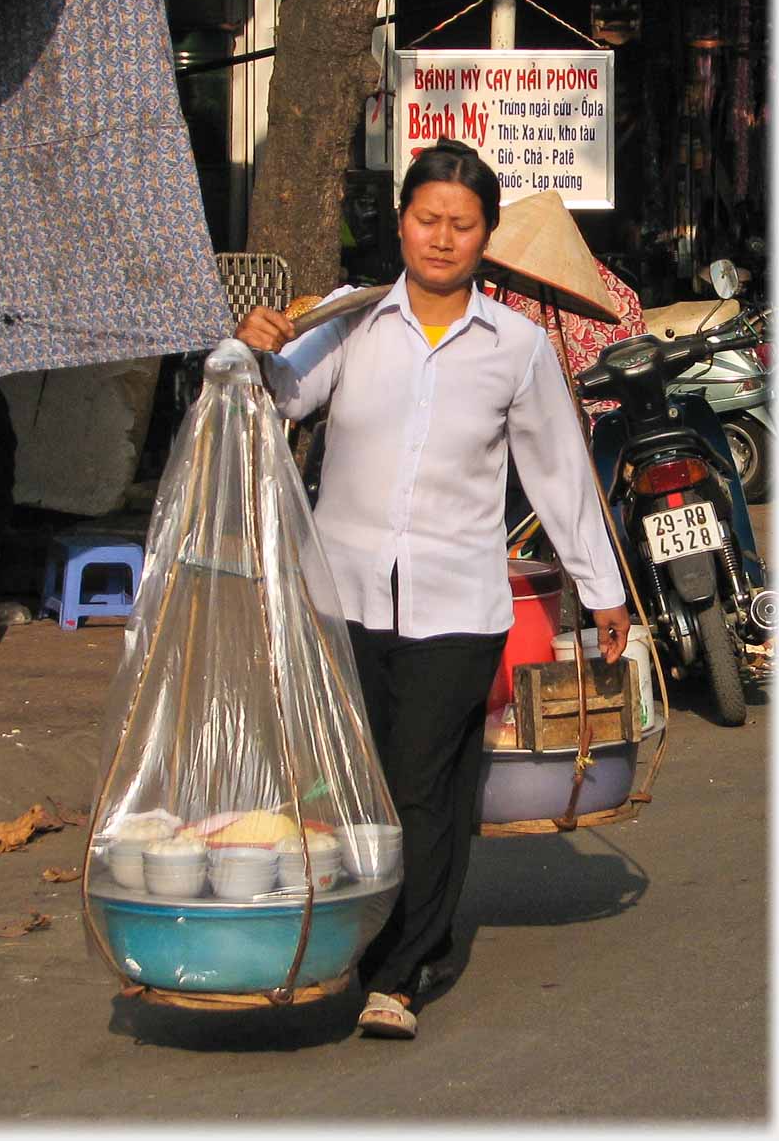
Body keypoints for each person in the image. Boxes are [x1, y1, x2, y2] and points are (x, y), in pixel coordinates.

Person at [235, 138, 630, 1039]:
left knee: (416, 778)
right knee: (371, 780)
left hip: (457, 603)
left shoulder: (517, 347)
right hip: (345, 597)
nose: (442, 238)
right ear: (401, 222)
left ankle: (398, 971)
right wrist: (261, 346)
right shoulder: (350, 319)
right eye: (427, 219)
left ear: (486, 237)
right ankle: (407, 931)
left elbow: (560, 474)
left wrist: (601, 592)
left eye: (462, 224)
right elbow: (286, 398)